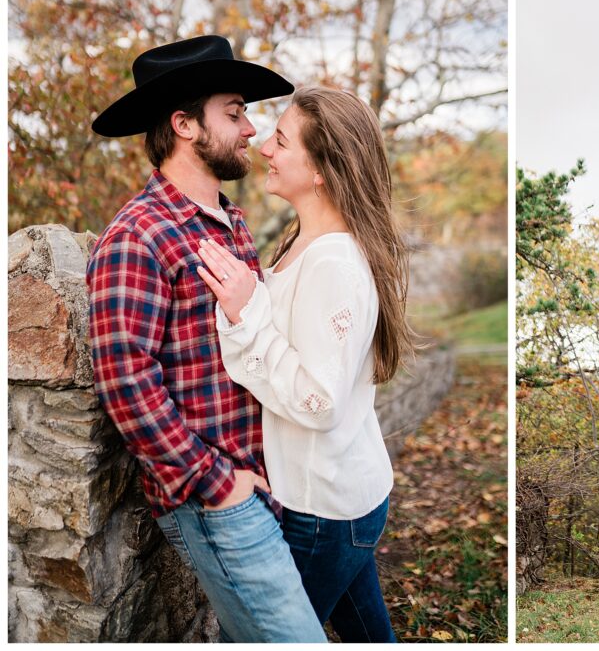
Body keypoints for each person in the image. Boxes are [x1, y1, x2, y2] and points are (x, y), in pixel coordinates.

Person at [87, 35, 327, 643]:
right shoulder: (136, 236)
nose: (251, 129)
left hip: (266, 485)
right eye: (235, 111)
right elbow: (126, 381)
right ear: (184, 124)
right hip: (217, 502)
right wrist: (218, 483)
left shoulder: (231, 221)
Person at [195, 86, 413, 642]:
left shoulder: (334, 263)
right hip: (343, 499)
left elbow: (319, 402)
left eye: (283, 141)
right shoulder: (304, 243)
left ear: (321, 170)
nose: (265, 147)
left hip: (324, 513)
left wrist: (246, 317)